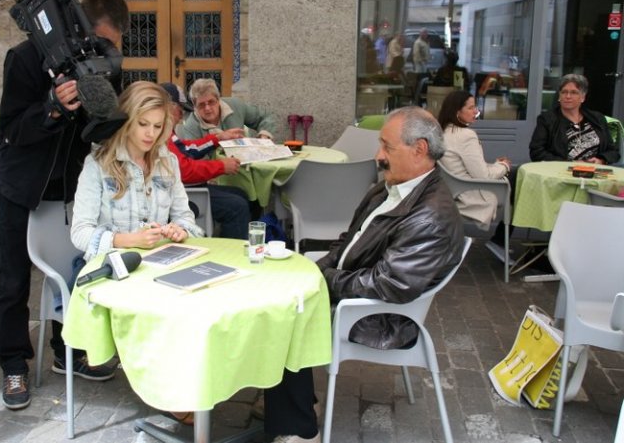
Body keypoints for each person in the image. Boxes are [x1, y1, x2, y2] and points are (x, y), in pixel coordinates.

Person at [264, 106, 465, 443]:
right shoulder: (394, 187)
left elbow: (387, 286)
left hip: (382, 318)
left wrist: (320, 279)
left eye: (388, 147)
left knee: (284, 314)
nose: (378, 156)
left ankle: (299, 429)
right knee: (279, 291)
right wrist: (319, 269)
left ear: (420, 150)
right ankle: (295, 404)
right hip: (356, 290)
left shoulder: (431, 216)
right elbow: (349, 241)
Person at [0, 0, 129, 410]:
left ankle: (67, 350)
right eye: (96, 41)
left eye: (110, 46)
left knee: (73, 273)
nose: (101, 52)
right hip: (23, 184)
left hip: (72, 187)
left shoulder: (107, 64)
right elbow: (12, 131)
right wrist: (52, 107)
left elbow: (104, 129)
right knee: (15, 281)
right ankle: (14, 362)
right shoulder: (24, 58)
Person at [71, 81, 204, 258]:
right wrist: (130, 240)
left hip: (159, 263)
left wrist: (180, 231)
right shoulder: (97, 164)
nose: (151, 133)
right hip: (112, 268)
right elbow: (80, 233)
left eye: (158, 126)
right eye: (143, 124)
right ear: (126, 121)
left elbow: (185, 217)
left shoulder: (168, 162)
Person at [160, 82, 251, 240]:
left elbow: (187, 149)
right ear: (167, 107)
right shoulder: (161, 131)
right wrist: (221, 166)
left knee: (241, 195)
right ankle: (229, 256)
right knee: (237, 207)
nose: (182, 114)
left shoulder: (166, 130)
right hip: (182, 195)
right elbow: (185, 171)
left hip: (185, 190)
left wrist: (217, 138)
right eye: (179, 108)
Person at [437, 90, 513, 263]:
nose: (476, 111)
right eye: (471, 108)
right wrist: (504, 166)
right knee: (516, 180)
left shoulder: (442, 132)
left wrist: (496, 165)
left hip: (451, 191)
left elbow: (467, 168)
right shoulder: (466, 135)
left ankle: (500, 240)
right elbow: (483, 175)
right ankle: (501, 240)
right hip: (469, 195)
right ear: (458, 111)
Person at [529, 73, 619, 164]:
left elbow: (613, 151)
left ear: (583, 97)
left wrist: (601, 160)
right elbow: (536, 152)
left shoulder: (597, 118)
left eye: (574, 92)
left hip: (595, 171)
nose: (568, 96)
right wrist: (570, 163)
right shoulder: (547, 119)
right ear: (559, 96)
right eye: (564, 92)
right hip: (562, 172)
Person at [177, 78, 277, 141]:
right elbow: (197, 161)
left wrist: (264, 135)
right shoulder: (191, 126)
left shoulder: (235, 105)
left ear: (218, 99)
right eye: (201, 105)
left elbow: (266, 116)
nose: (207, 108)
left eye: (211, 102)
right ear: (195, 106)